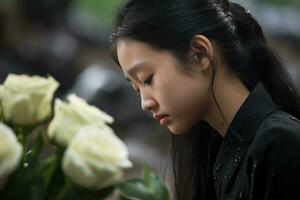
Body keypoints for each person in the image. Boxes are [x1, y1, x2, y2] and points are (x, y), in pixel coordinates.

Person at [110, 0, 300, 199]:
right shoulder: (216, 151)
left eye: (147, 79)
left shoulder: (278, 143)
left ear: (199, 54)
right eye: (136, 88)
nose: (145, 103)